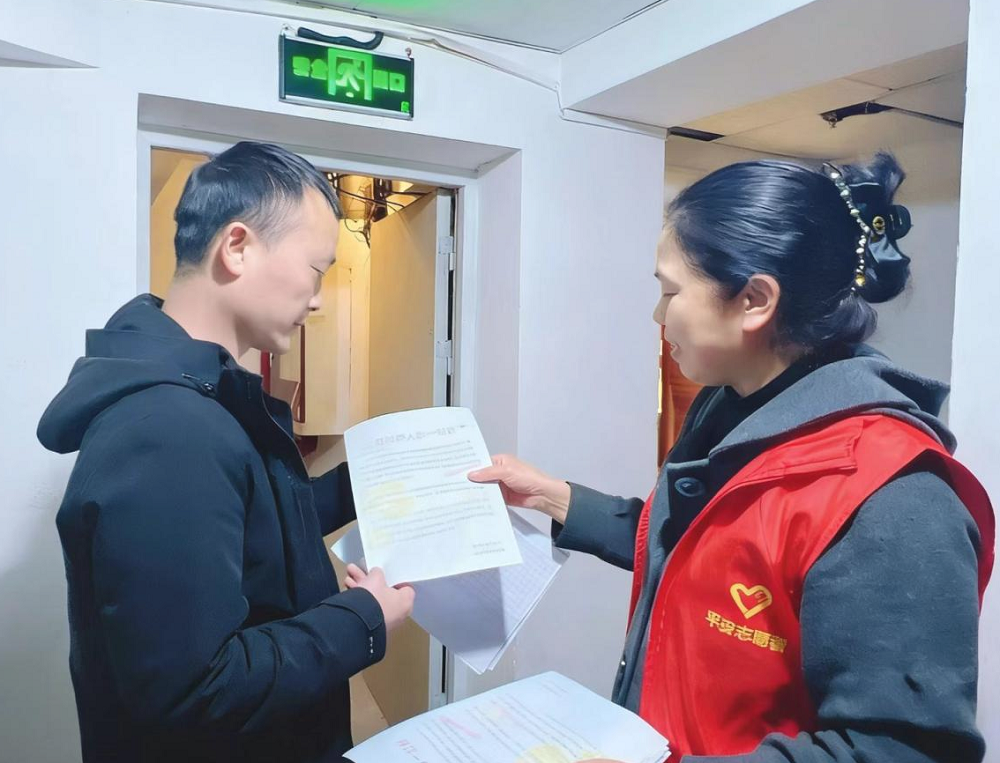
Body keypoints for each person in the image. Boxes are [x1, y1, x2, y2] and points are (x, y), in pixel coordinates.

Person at [471, 153, 995, 762]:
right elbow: (709, 551)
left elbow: (898, 751)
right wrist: (553, 497)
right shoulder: (731, 409)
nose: (658, 315)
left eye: (670, 291)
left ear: (754, 300)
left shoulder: (894, 497)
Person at [38, 141, 414, 763]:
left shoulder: (201, 395)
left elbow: (258, 528)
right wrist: (362, 618)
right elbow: (195, 690)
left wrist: (378, 479)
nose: (318, 298)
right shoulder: (168, 429)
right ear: (237, 247)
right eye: (316, 269)